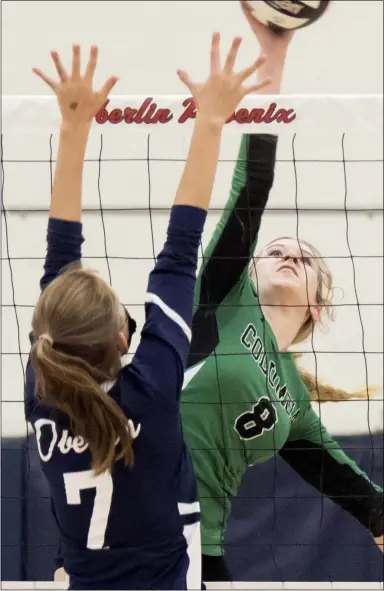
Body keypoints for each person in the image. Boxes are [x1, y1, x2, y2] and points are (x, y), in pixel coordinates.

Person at [24, 39, 270, 589]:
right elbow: (172, 254)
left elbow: (180, 249)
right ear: (121, 340)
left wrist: (210, 122)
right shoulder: (70, 388)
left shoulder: (58, 388)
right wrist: (75, 129)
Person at [180, 9, 384, 584]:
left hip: (202, 549)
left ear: (317, 306)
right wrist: (275, 51)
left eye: (305, 259)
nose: (289, 255)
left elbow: (363, 497)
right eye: (275, 250)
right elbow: (254, 187)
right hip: (133, 513)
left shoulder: (295, 406)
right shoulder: (222, 295)